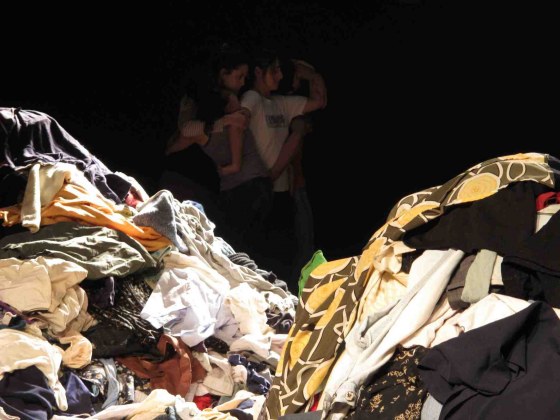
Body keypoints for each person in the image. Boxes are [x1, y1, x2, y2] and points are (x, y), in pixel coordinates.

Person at [240, 49, 327, 289]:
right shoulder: (252, 98)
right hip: (257, 190)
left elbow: (319, 101)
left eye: (281, 70)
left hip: (280, 191)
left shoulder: (280, 103)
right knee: (259, 257)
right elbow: (238, 122)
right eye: (274, 70)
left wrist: (312, 75)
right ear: (259, 72)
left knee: (282, 257)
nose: (279, 75)